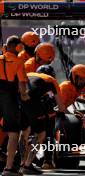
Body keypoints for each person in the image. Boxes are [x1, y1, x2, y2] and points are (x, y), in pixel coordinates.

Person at [19, 65, 65, 175]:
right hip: (32, 103)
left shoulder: (30, 74)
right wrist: (59, 111)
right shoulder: (51, 81)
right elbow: (61, 106)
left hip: (17, 100)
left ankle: (20, 163)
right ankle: (27, 165)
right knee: (41, 134)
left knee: (24, 132)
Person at [0, 36, 30, 176]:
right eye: (20, 46)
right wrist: (25, 96)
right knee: (13, 134)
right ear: (17, 47)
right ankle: (9, 168)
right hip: (9, 98)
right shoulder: (18, 61)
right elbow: (22, 84)